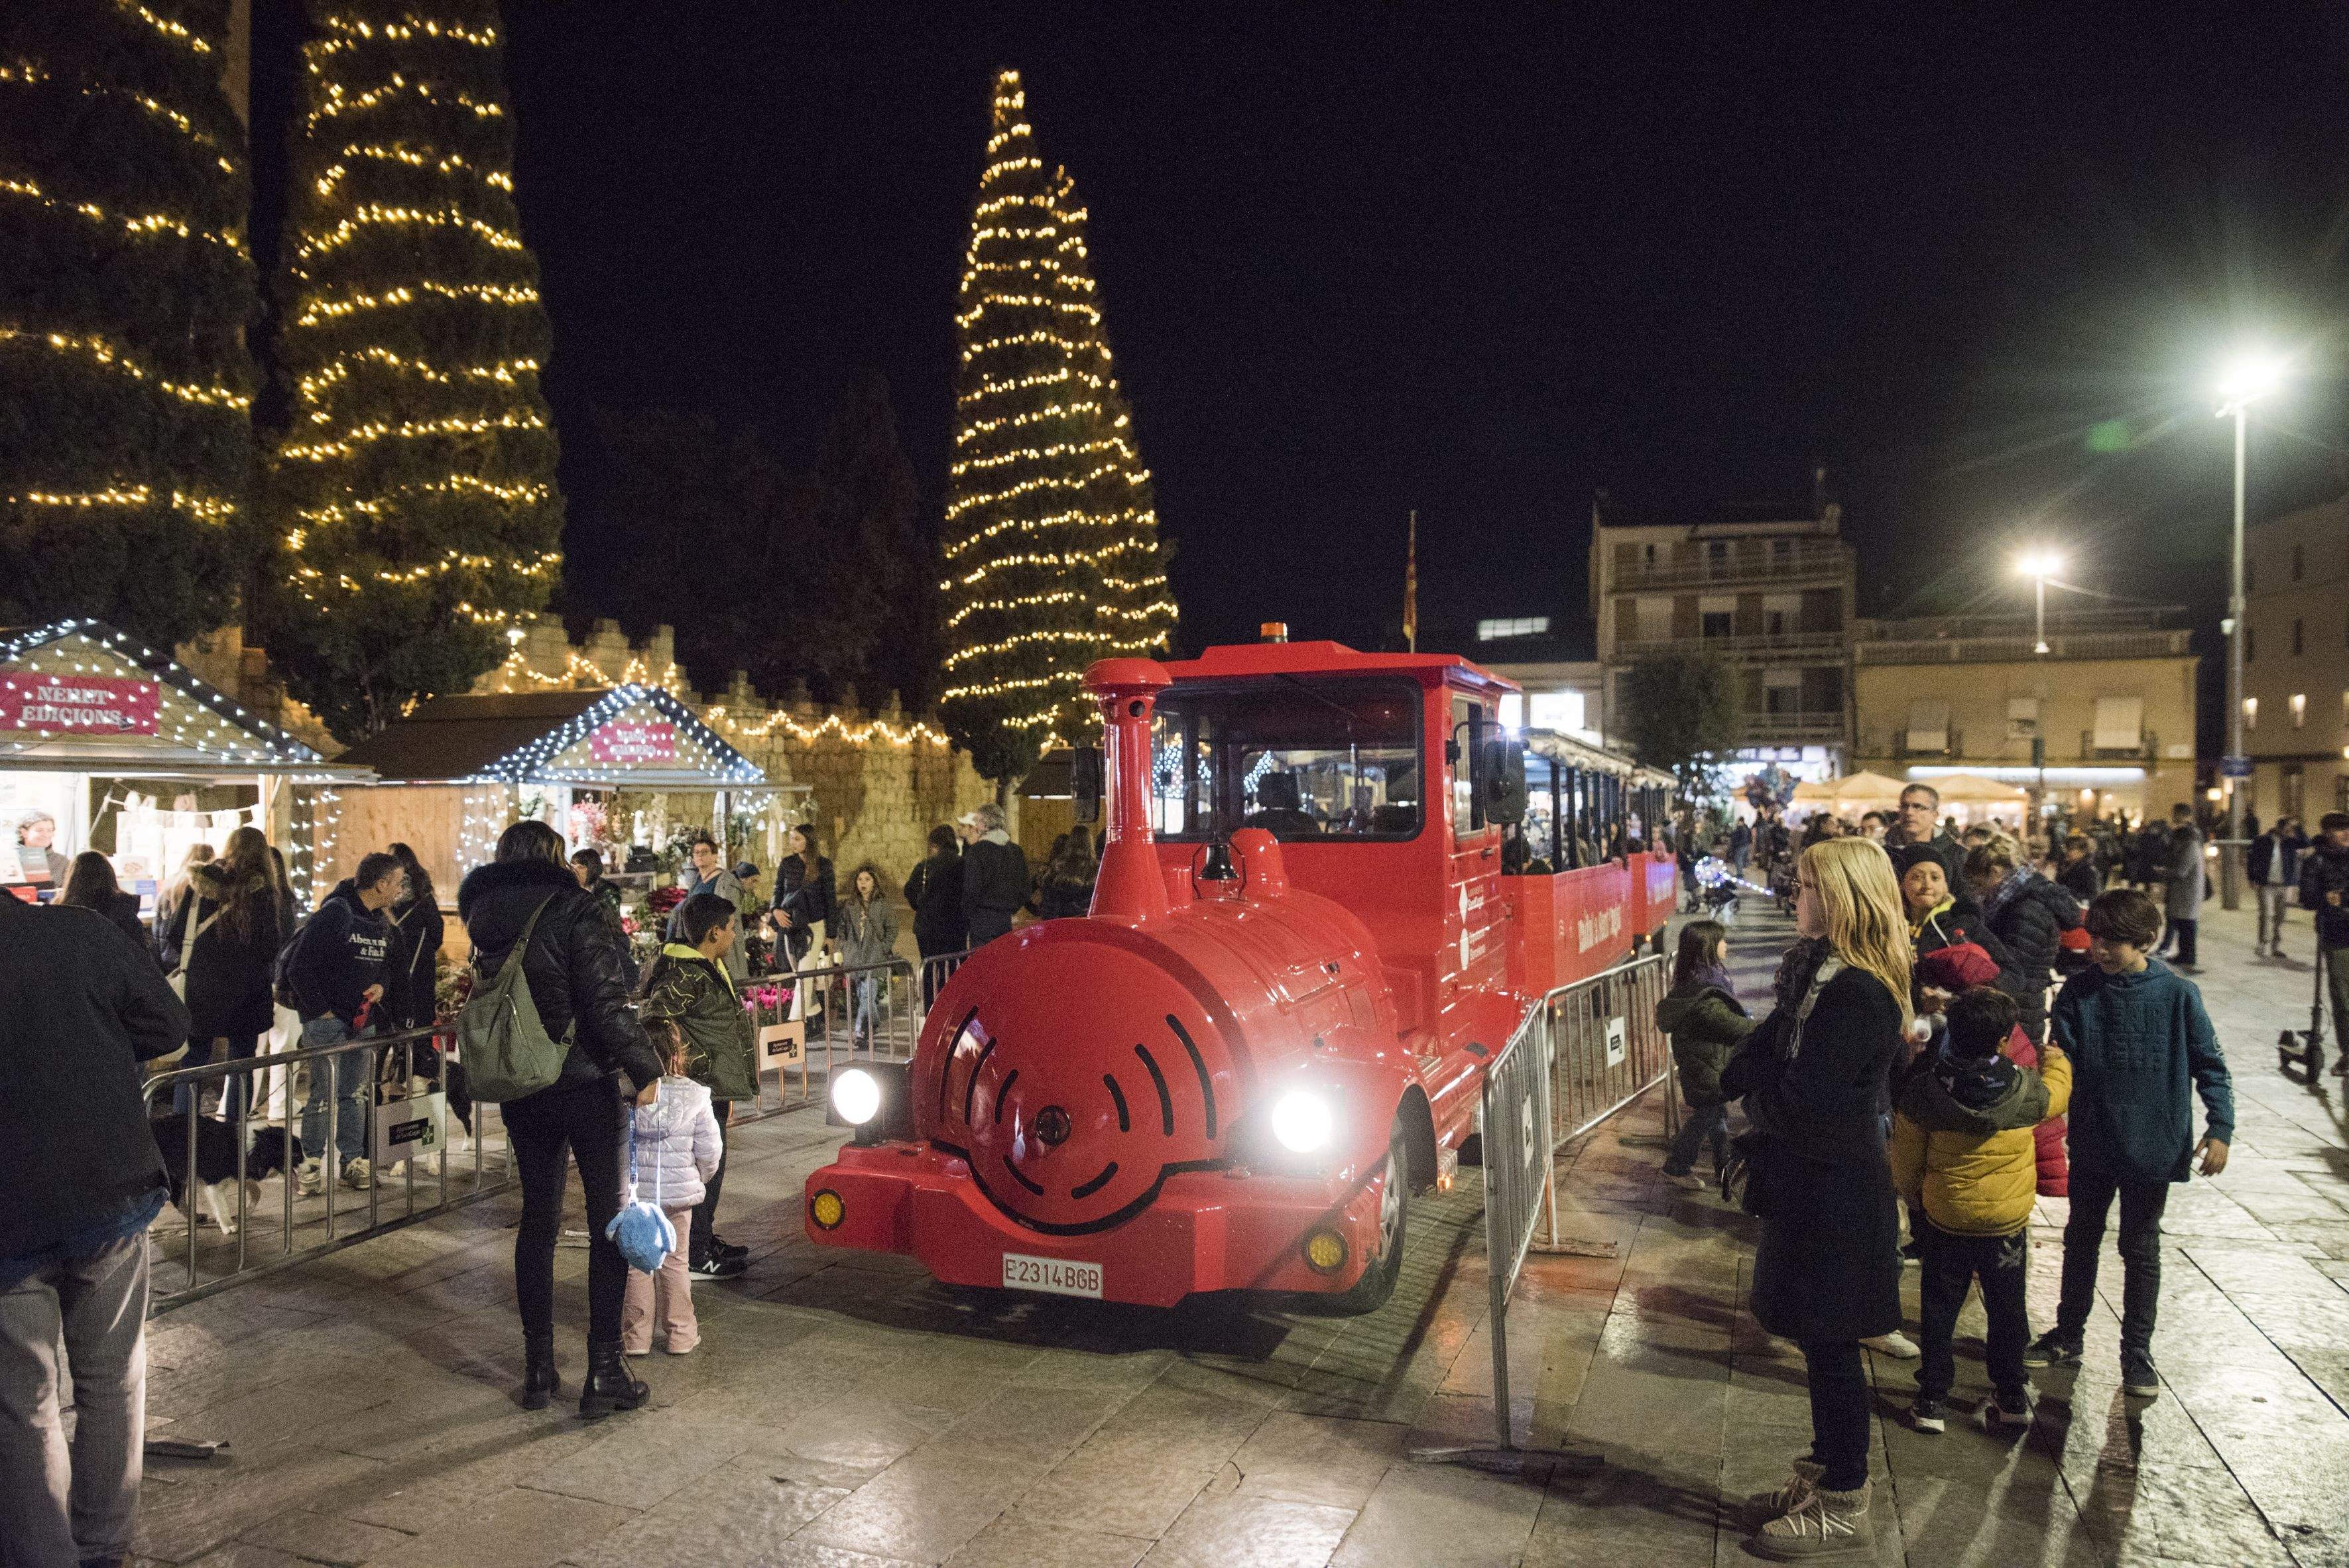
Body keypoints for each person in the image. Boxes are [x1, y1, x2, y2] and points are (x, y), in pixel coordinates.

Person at [1722, 839, 1911, 1556]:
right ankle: (1825, 1471)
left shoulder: (1860, 990)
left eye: (1804, 886)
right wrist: (1739, 1068)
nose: (1792, 895)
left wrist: (1752, 1100)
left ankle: (1844, 1496)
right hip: (1811, 1182)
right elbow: (1775, 1042)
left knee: (1831, 1341)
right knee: (1813, 1334)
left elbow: (1808, 1100)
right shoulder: (1822, 973)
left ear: (1842, 897)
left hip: (1837, 1190)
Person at [0, 880, 190, 1567]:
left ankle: (43, 1551)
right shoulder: (77, 934)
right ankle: (104, 1544)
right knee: (113, 1380)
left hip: (10, 1212)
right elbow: (169, 1026)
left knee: (24, 1402)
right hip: (110, 1185)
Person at [460, 820, 666, 1419]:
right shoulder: (577, 907)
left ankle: (537, 1369)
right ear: (554, 856)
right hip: (581, 1078)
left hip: (523, 1082)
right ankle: (603, 1370)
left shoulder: (483, 912)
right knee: (608, 1222)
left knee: (538, 1221)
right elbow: (603, 1000)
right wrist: (644, 1067)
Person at [2024, 888, 2232, 1398]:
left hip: (2153, 1143)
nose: (2099, 949)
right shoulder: (2079, 990)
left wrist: (2220, 1126)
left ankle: (2136, 1351)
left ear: (2144, 940)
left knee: (2139, 1247)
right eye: (2095, 938)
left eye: (2112, 942)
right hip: (2095, 1135)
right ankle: (2067, 1333)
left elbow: (2210, 1064)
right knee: (2080, 1237)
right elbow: (2062, 1057)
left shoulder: (2177, 993)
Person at [1889, 984, 2069, 1435]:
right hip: (2004, 1226)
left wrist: (1915, 1200)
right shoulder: (2026, 1090)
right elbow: (2057, 1096)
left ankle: (1931, 1398)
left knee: (1938, 1307)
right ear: (2003, 1041)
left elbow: (1905, 1164)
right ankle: (2010, 1393)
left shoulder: (1925, 1091)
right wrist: (2057, 1061)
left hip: (1946, 1220)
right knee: (2008, 1307)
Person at [639, 892, 754, 1282]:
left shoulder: (705, 966)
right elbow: (654, 1015)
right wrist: (692, 1063)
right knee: (705, 1170)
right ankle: (695, 1253)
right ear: (714, 932)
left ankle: (703, 1239)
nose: (736, 935)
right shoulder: (685, 972)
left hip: (713, 1086)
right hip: (700, 1087)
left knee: (713, 1165)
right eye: (732, 928)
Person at [284, 850, 401, 1193]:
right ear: (380, 885)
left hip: (363, 1021)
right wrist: (322, 1011)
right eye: (396, 882)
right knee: (322, 1095)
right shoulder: (335, 914)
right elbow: (298, 968)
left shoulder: (379, 921)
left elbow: (383, 967)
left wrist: (382, 986)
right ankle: (311, 1164)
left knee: (357, 1094)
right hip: (328, 1024)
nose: (400, 890)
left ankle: (352, 1162)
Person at [621, 1023, 724, 1358]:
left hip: (638, 1198)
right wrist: (698, 1179)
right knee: (676, 1264)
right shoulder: (695, 1096)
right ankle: (681, 1335)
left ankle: (636, 1339)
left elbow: (618, 1147)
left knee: (638, 1266)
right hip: (678, 1199)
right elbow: (710, 1153)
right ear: (678, 1055)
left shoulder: (629, 1095)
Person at [164, 827, 282, 1118]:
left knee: (195, 1060)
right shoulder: (263, 892)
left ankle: (185, 1128)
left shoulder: (200, 885)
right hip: (247, 988)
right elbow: (270, 946)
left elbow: (176, 935)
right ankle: (232, 1130)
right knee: (242, 1061)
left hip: (202, 988)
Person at [1655, 920, 1751, 1189]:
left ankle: (1724, 1169)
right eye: (1722, 941)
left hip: (1709, 1063)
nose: (1726, 945)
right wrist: (1767, 1028)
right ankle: (1677, 1166)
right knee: (1706, 1115)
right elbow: (1730, 1024)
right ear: (1708, 947)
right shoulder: (1705, 993)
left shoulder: (1703, 979)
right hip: (1705, 1066)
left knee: (1716, 1114)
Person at [1964, 836, 2080, 1045]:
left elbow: (2015, 971)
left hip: (2019, 1013)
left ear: (1996, 873)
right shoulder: (2016, 900)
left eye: (1979, 884)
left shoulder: (2026, 909)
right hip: (2020, 1008)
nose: (1978, 892)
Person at [2299, 812, 2349, 1073]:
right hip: (2339, 935)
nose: (2346, 834)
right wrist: (2325, 899)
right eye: (2340, 830)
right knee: (2343, 997)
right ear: (2327, 833)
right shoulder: (2316, 860)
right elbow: (2307, 897)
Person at [834, 864, 901, 1048]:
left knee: (867, 996)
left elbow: (892, 929)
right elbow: (843, 930)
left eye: (867, 880)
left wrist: (884, 948)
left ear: (874, 883)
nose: (863, 883)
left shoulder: (882, 905)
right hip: (854, 957)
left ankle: (860, 1032)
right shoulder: (850, 905)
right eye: (860, 880)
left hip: (874, 956)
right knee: (863, 996)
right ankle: (875, 1024)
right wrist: (843, 948)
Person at [382, 843, 443, 1034]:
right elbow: (437, 933)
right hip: (420, 970)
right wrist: (424, 950)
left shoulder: (383, 897)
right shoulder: (424, 897)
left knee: (387, 1028)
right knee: (419, 1027)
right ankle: (416, 1062)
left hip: (389, 968)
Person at [904, 825, 967, 1004]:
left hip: (927, 928)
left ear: (934, 844)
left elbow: (909, 890)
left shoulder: (925, 866)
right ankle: (951, 1008)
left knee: (929, 971)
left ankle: (930, 1010)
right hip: (955, 927)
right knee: (954, 970)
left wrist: (920, 906)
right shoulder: (962, 864)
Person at [677, 835, 751, 985]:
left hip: (717, 943)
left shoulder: (726, 883)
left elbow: (732, 918)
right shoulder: (697, 880)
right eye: (696, 852)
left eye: (704, 852)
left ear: (715, 856)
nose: (699, 855)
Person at [768, 823, 833, 989]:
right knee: (800, 976)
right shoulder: (787, 864)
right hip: (791, 925)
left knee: (804, 977)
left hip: (815, 926)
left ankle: (796, 1017)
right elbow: (778, 890)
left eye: (797, 839)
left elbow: (831, 900)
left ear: (809, 841)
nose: (793, 843)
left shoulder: (824, 865)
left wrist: (831, 935)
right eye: (791, 839)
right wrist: (776, 910)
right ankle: (815, 1015)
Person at [959, 803, 1029, 945]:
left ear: (985, 824)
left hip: (982, 919)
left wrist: (969, 911)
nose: (976, 826)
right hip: (1005, 919)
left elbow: (972, 887)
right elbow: (1025, 889)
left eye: (977, 821)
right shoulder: (1016, 851)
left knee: (983, 963)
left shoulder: (977, 851)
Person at [59, 851, 147, 951]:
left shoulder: (61, 913)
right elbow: (142, 956)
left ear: (72, 878)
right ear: (110, 875)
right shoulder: (123, 910)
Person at [2250, 815, 2308, 958]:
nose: (2290, 831)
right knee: (2266, 915)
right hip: (2266, 884)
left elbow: (2306, 843)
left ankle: (2275, 946)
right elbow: (2252, 860)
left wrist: (2298, 827)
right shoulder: (2262, 840)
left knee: (2280, 916)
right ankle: (2263, 944)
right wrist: (2252, 878)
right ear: (2280, 827)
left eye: (2291, 829)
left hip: (2282, 884)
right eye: (2288, 828)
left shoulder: (2290, 843)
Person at [571, 847, 634, 977]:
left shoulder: (607, 891)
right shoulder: (573, 891)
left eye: (581, 867)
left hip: (611, 944)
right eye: (573, 866)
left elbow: (604, 918)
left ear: (592, 869)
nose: (575, 871)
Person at [1887, 784, 1963, 888]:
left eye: (1918, 807)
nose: (1909, 812)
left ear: (1934, 815)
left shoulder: (1956, 855)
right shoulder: (1885, 854)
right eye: (1904, 806)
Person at [1030, 827, 1097, 921]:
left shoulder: (1057, 866)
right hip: (1083, 923)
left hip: (1054, 922)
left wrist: (1037, 910)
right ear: (1091, 844)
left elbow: (1039, 887)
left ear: (1070, 843)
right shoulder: (1096, 869)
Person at [154, 842, 214, 935]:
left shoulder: (170, 882)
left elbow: (157, 923)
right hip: (189, 944)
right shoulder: (205, 887)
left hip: (167, 945)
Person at [12, 808, 70, 890]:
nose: (46, 835)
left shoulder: (62, 862)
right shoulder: (10, 860)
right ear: (24, 832)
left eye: (50, 830)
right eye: (39, 830)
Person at [2054, 833, 2102, 904]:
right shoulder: (2066, 865)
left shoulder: (2088, 870)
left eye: (2071, 849)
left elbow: (2092, 896)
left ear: (2082, 851)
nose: (2067, 852)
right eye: (2066, 848)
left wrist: (2065, 892)